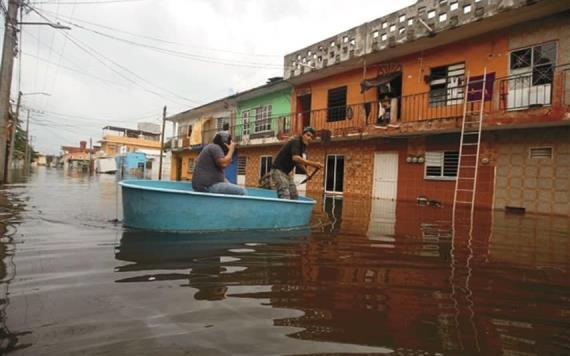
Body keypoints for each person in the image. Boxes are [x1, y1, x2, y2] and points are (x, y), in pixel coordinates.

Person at [270, 126, 324, 200]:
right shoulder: (296, 141)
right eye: (307, 135)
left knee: (294, 195)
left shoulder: (302, 146)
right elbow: (296, 158)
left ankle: (293, 210)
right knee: (284, 193)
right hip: (278, 170)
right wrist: (314, 164)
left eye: (311, 137)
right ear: (302, 135)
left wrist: (307, 173)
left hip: (286, 173)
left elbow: (297, 163)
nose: (309, 138)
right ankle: (283, 210)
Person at [192, 131, 246, 195]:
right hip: (208, 186)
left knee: (234, 188)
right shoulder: (215, 147)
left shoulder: (212, 148)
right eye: (229, 141)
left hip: (203, 185)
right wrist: (231, 150)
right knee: (242, 191)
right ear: (225, 142)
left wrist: (229, 184)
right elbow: (223, 163)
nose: (230, 143)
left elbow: (224, 166)